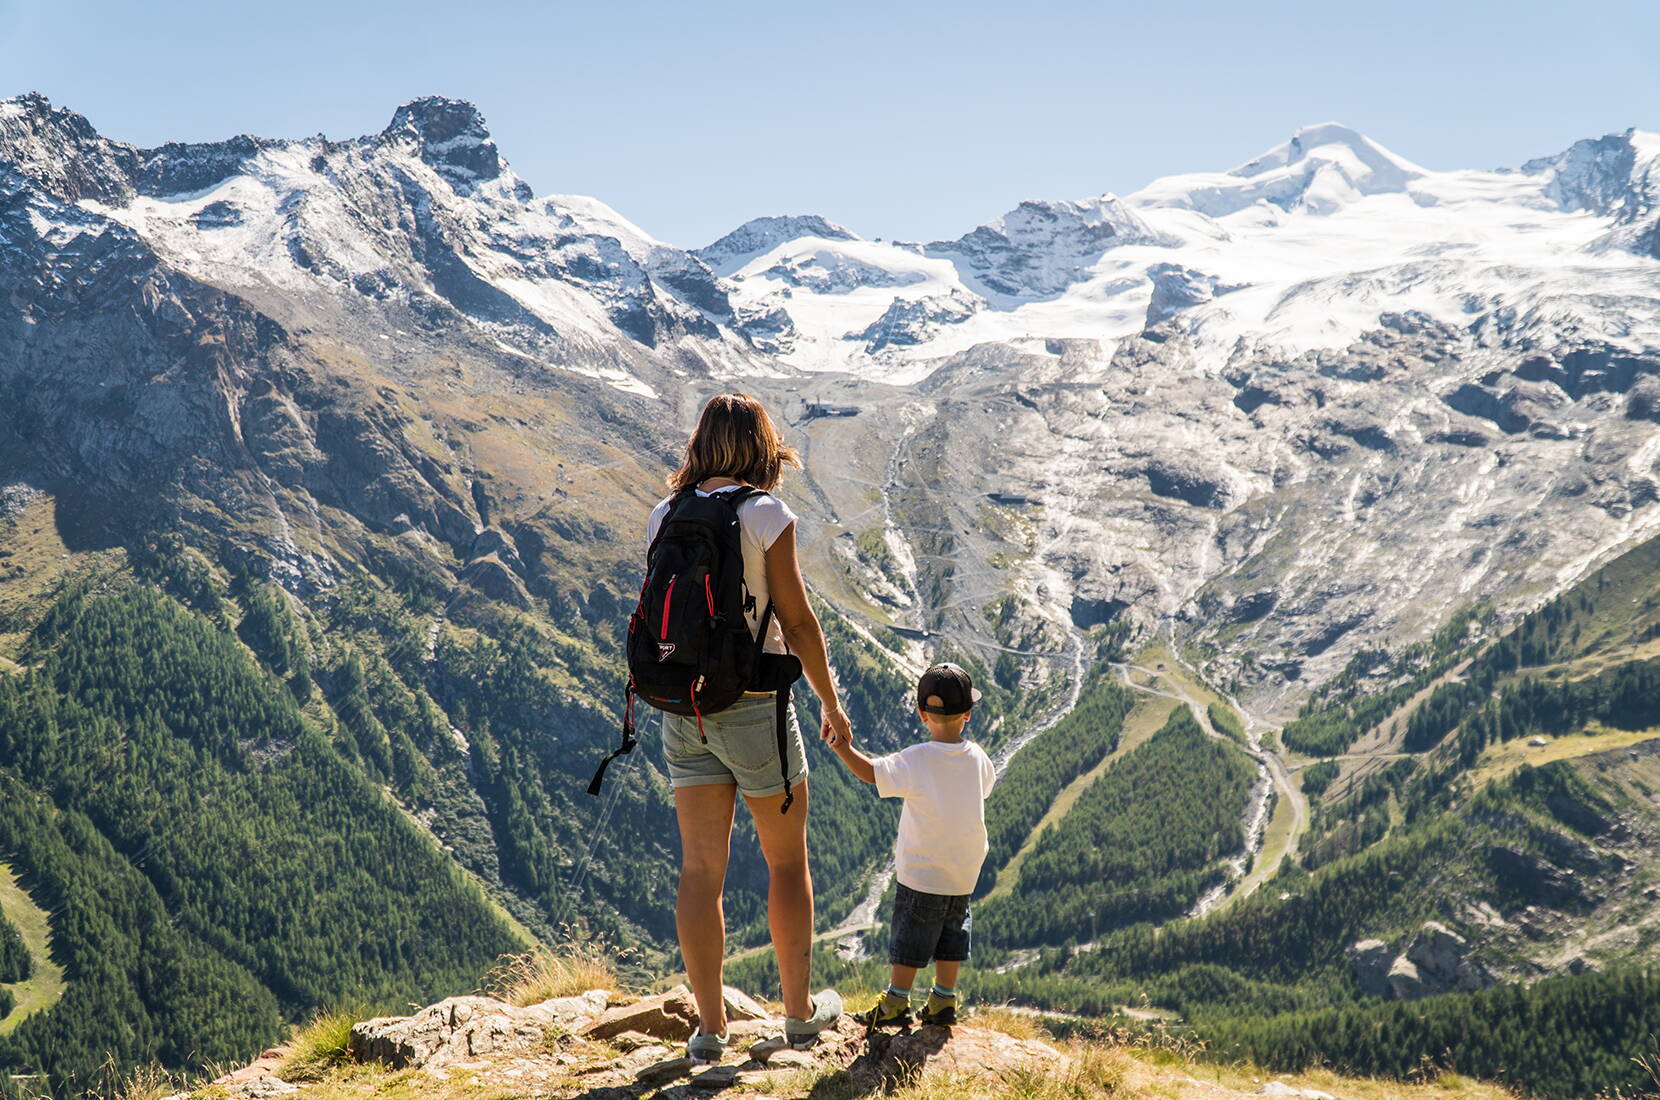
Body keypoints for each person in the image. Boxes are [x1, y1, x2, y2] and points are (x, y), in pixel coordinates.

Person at [649, 393, 847, 1064]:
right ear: (761, 446)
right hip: (757, 706)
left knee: (700, 869)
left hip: (685, 708)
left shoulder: (665, 514)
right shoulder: (766, 513)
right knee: (786, 862)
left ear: (701, 442)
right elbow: (796, 622)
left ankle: (709, 1029)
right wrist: (830, 702)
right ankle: (797, 1017)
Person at [830, 662, 995, 1028]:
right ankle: (943, 1001)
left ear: (922, 714)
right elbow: (985, 790)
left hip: (922, 871)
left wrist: (842, 747)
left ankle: (895, 1003)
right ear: (968, 713)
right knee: (953, 934)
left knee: (910, 938)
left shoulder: (916, 758)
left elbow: (871, 773)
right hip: (964, 871)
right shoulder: (978, 756)